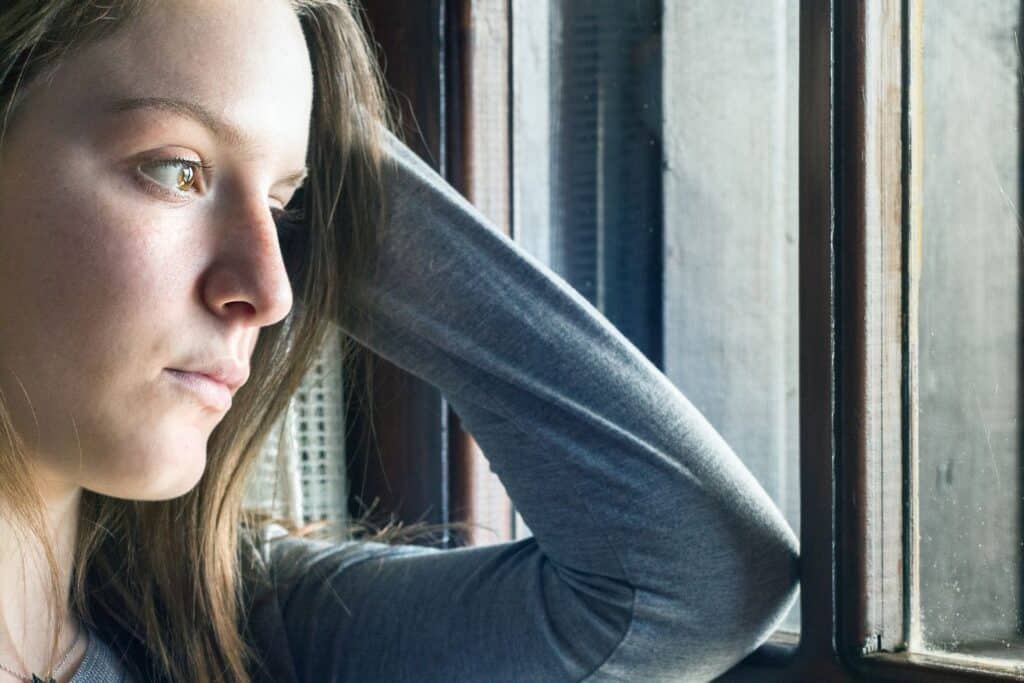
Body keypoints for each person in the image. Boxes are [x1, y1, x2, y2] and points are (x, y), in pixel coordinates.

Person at [0, 1, 800, 681]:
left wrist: (322, 131)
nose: (274, 292)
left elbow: (700, 577)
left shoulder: (238, 626)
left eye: (288, 207)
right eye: (176, 171)